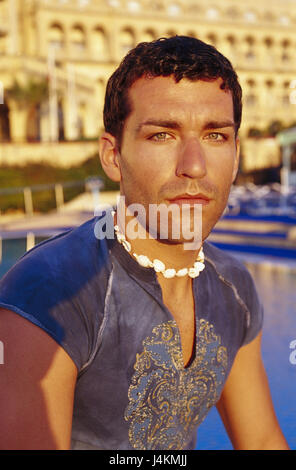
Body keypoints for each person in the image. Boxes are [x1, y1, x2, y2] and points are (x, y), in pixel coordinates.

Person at [0, 36, 289, 451]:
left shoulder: (235, 288)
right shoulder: (49, 294)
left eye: (215, 136)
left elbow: (261, 439)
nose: (194, 165)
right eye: (162, 135)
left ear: (237, 154)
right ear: (113, 155)